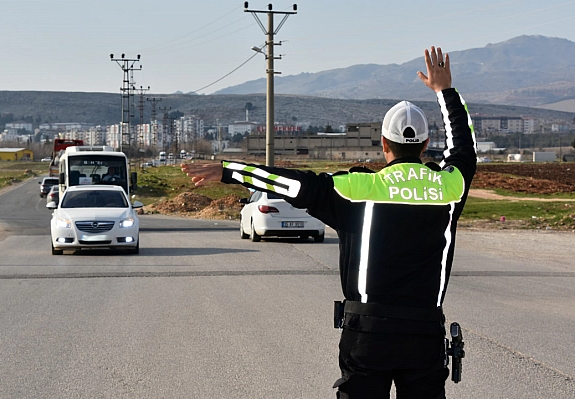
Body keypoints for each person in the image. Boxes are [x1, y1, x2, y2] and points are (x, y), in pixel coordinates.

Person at [181, 46, 476, 399]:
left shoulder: (356, 188)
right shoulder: (448, 187)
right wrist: (445, 91)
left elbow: (290, 183)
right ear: (426, 145)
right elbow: (464, 147)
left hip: (367, 334)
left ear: (384, 144)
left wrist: (228, 170)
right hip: (425, 334)